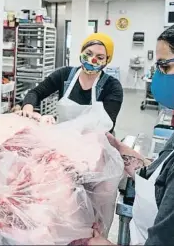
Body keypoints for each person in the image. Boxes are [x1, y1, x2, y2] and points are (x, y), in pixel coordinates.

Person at [86, 25, 174, 246]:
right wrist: (121, 151)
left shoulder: (111, 85)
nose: (159, 75)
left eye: (164, 66)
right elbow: (161, 176)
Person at [16, 32, 123, 132]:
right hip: (63, 138)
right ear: (82, 52)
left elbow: (108, 125)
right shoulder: (64, 75)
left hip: (93, 142)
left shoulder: (112, 86)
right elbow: (35, 93)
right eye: (88, 53)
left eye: (99, 57)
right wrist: (28, 111)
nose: (92, 60)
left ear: (107, 60)